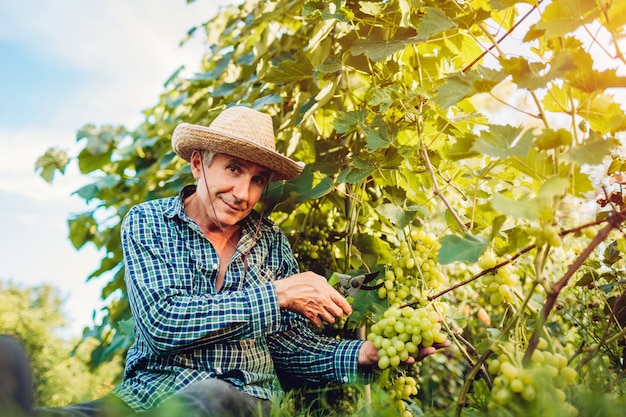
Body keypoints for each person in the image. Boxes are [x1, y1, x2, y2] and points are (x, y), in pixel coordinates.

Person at [2, 106, 448, 417]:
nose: (244, 194)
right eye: (233, 170)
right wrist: (278, 294)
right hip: (142, 399)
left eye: (258, 180)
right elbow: (163, 322)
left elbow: (292, 349)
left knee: (211, 398)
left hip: (237, 401)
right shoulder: (148, 222)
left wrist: (363, 354)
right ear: (199, 165)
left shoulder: (271, 244)